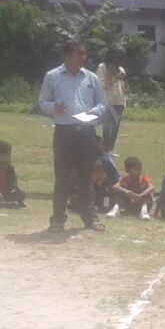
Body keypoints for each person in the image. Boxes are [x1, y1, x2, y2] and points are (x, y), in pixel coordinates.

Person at [38, 40, 108, 232]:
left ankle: (90, 218)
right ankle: (58, 219)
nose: (84, 57)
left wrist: (94, 111)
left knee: (86, 177)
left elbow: (102, 104)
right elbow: (42, 102)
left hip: (86, 132)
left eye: (84, 54)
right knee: (62, 177)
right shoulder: (52, 76)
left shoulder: (91, 77)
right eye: (79, 54)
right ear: (68, 56)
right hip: (64, 132)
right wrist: (54, 107)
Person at [95, 47, 127, 154]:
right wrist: (114, 79)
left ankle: (110, 150)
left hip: (119, 101)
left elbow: (124, 87)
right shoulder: (102, 67)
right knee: (108, 126)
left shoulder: (121, 69)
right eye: (115, 54)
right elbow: (100, 85)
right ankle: (105, 148)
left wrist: (125, 83)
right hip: (107, 100)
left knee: (115, 127)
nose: (116, 57)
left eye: (118, 55)